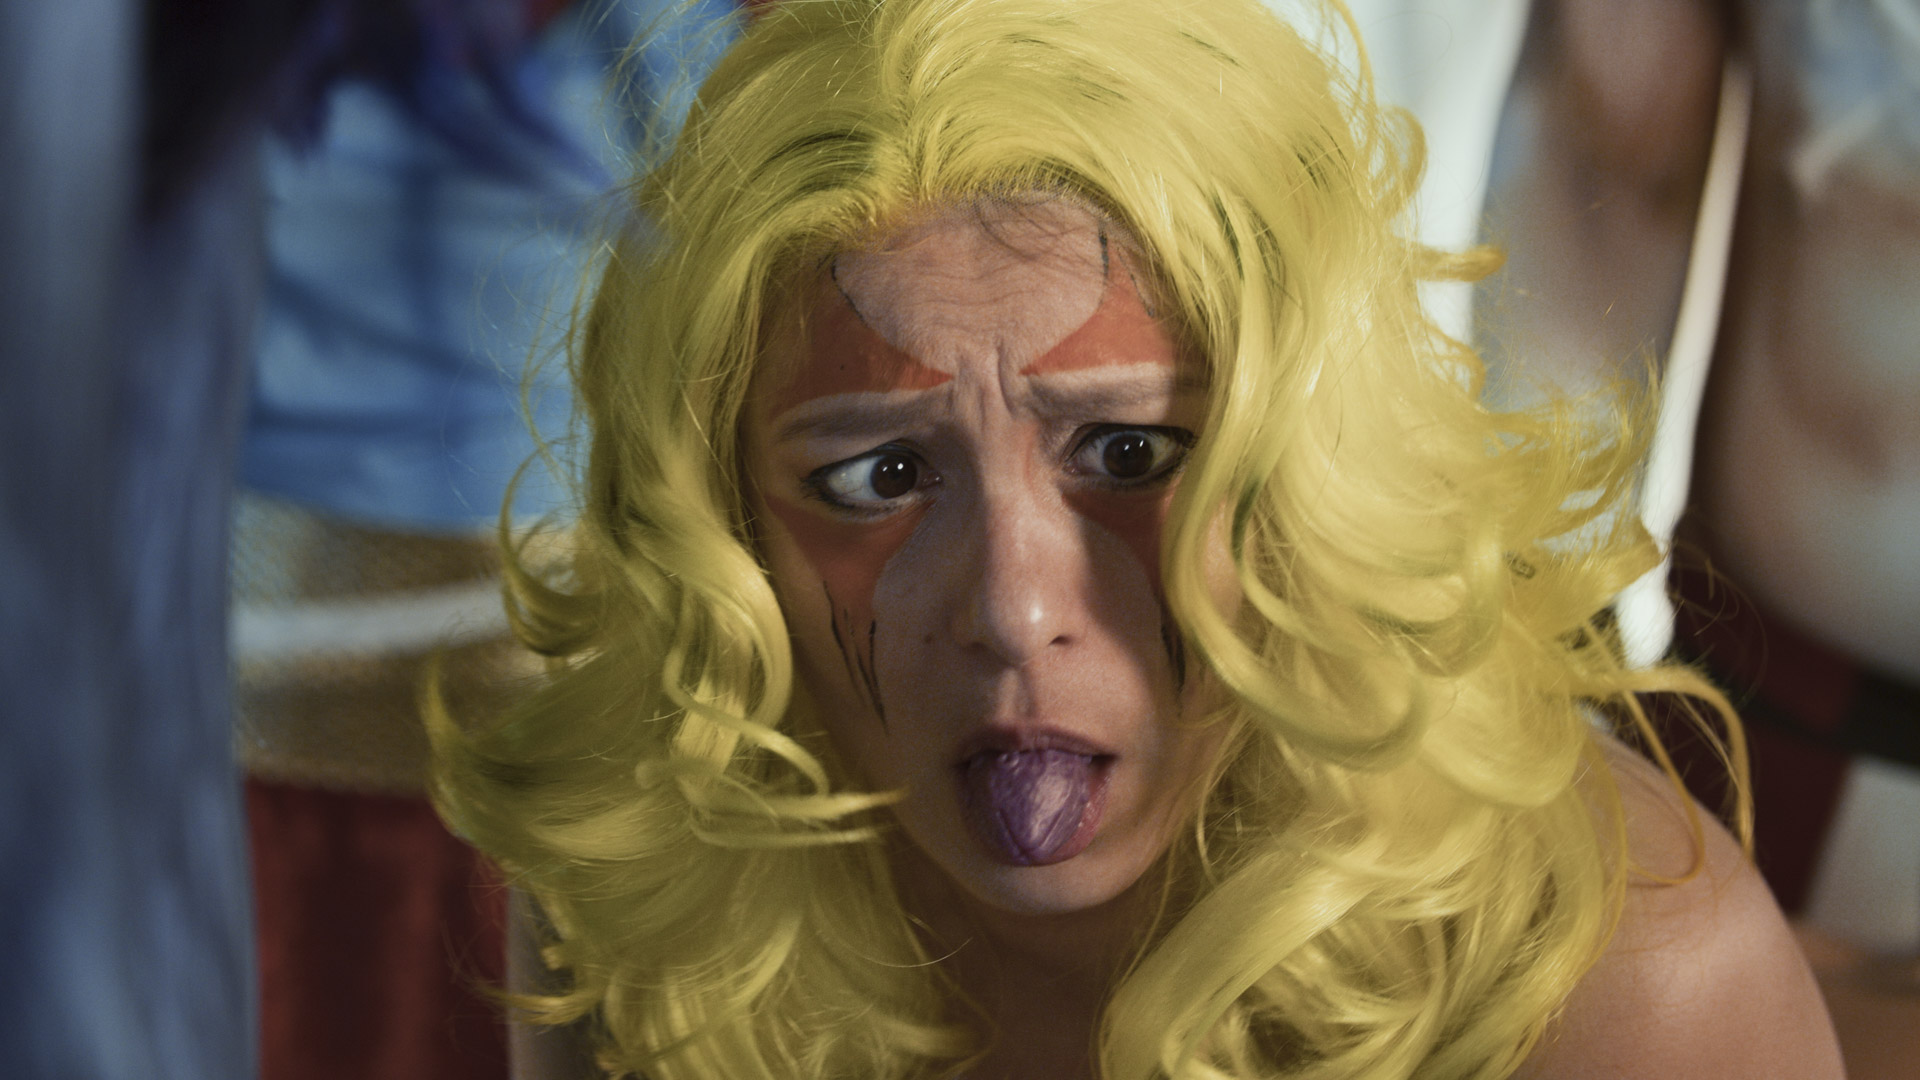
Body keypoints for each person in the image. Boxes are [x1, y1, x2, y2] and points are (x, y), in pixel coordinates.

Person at [429, 0, 1844, 1076]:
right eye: (880, 476)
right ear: (728, 521)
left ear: (1311, 468)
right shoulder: (645, 879)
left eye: (1128, 454)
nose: (1014, 607)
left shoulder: (1612, 982)